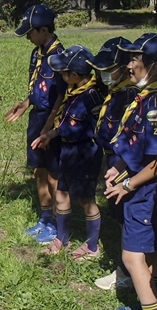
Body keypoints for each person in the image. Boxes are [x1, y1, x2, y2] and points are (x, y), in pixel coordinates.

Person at [104, 33, 157, 310]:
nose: (129, 65)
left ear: (154, 66)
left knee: (132, 257)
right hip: (138, 184)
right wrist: (119, 166)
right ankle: (153, 294)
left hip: (145, 191)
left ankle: (148, 305)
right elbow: (136, 145)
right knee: (150, 248)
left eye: (134, 59)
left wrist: (128, 184)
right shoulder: (144, 99)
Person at [31, 45, 104, 260]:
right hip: (68, 152)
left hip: (85, 155)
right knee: (62, 195)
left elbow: (88, 128)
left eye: (64, 72)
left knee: (86, 200)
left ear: (74, 75)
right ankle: (61, 239)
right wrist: (50, 135)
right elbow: (65, 124)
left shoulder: (91, 96)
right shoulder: (74, 92)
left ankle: (92, 246)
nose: (61, 76)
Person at [5, 4, 65, 243]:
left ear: (43, 29)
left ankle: (59, 225)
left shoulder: (59, 57)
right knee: (38, 170)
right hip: (37, 117)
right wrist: (25, 103)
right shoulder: (37, 53)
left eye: (30, 32)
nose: (28, 37)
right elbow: (38, 87)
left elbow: (61, 95)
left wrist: (48, 127)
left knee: (53, 173)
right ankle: (45, 218)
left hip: (52, 121)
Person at [87, 37, 138, 290]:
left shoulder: (132, 95)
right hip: (114, 158)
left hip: (125, 162)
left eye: (109, 69)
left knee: (128, 217)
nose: (104, 74)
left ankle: (128, 271)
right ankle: (128, 267)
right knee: (120, 216)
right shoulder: (116, 90)